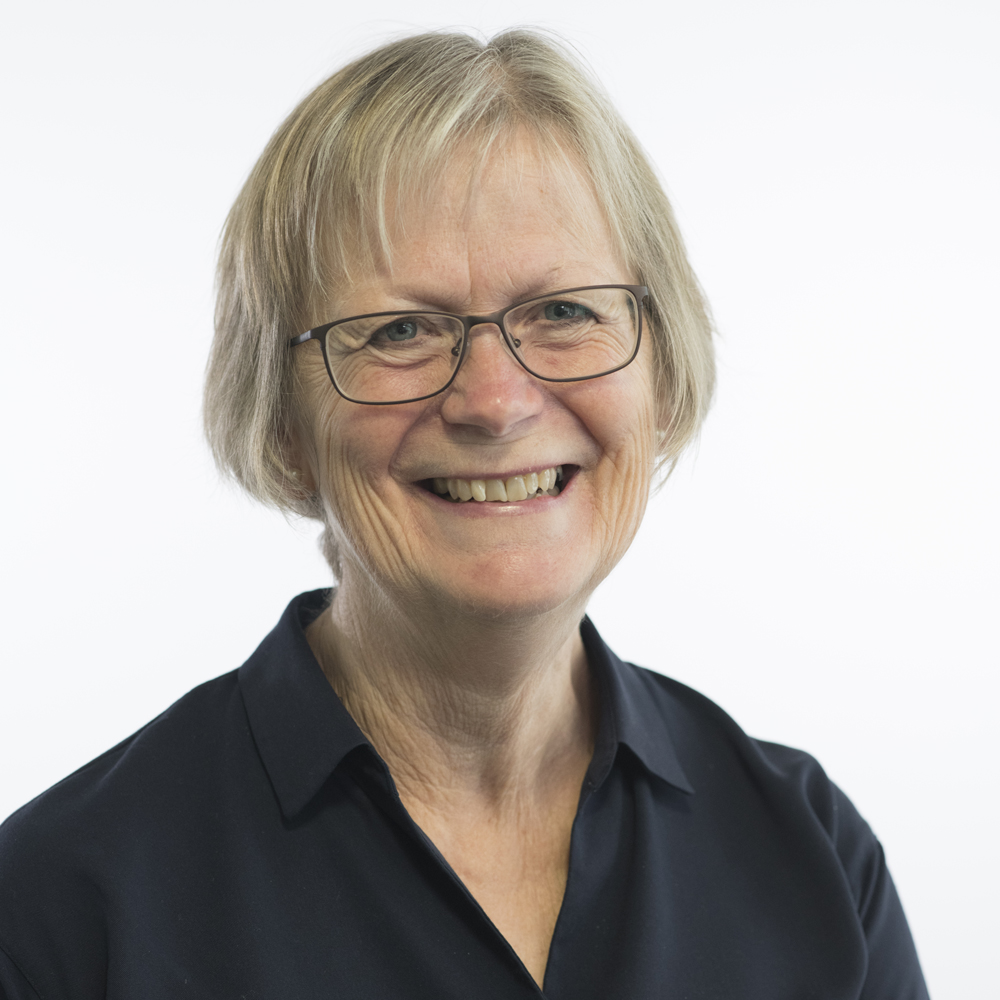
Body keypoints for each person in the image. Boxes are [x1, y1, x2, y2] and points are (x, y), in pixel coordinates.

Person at [0, 29, 928, 999]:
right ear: (282, 422)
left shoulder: (814, 856)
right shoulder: (60, 909)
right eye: (399, 329)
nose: (494, 402)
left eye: (564, 312)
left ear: (662, 367)